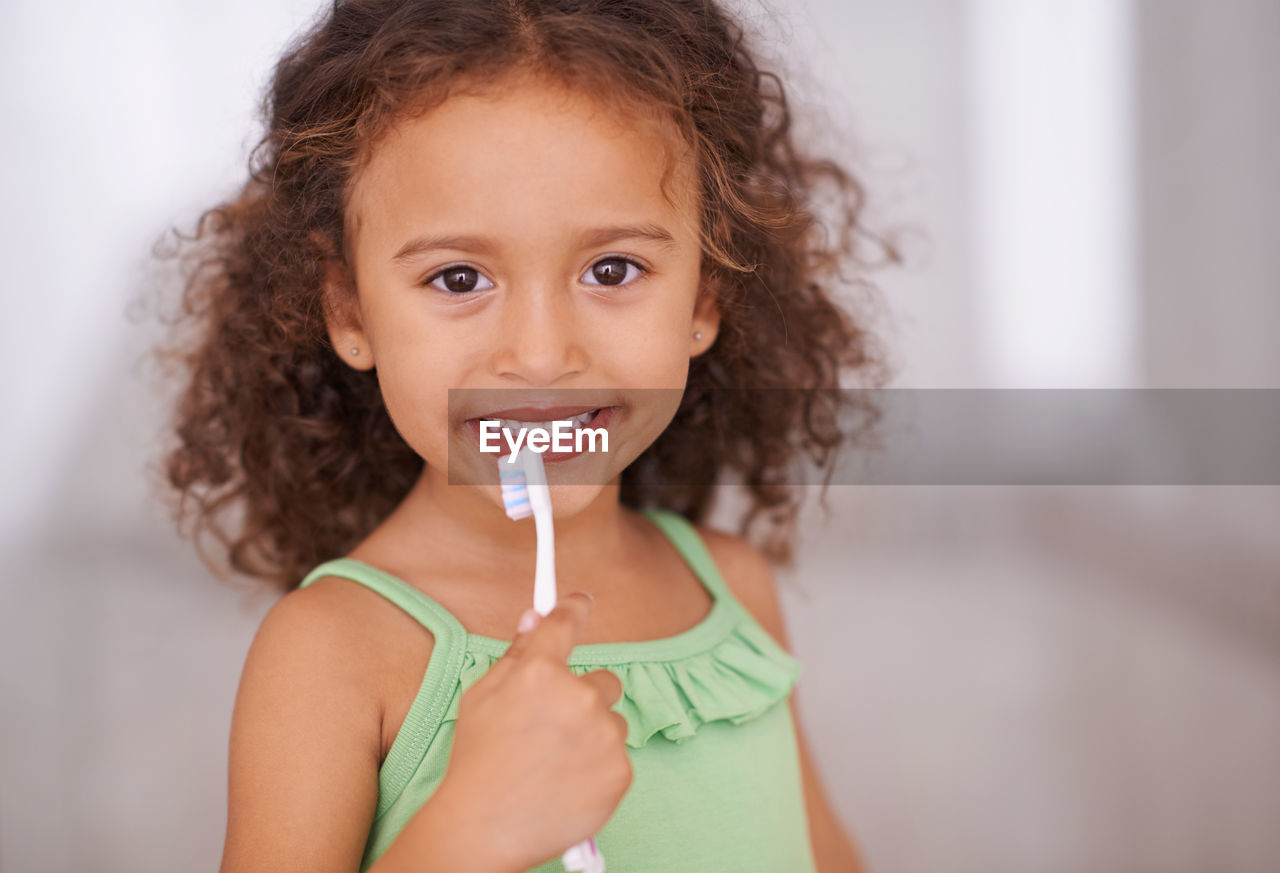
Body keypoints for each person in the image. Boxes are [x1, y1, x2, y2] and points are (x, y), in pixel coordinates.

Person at [154, 1, 894, 870]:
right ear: (348, 308)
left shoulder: (735, 593)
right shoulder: (334, 654)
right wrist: (469, 829)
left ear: (704, 295)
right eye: (459, 276)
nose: (541, 354)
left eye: (612, 269)